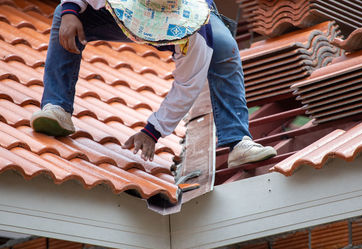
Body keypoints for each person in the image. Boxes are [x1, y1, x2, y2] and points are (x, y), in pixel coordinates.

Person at [30, 0, 277, 168]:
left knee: (223, 46)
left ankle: (237, 141)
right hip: (129, 7)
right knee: (66, 15)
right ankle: (57, 106)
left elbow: (187, 84)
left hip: (183, 12)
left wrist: (153, 131)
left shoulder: (195, 30)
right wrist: (70, 11)